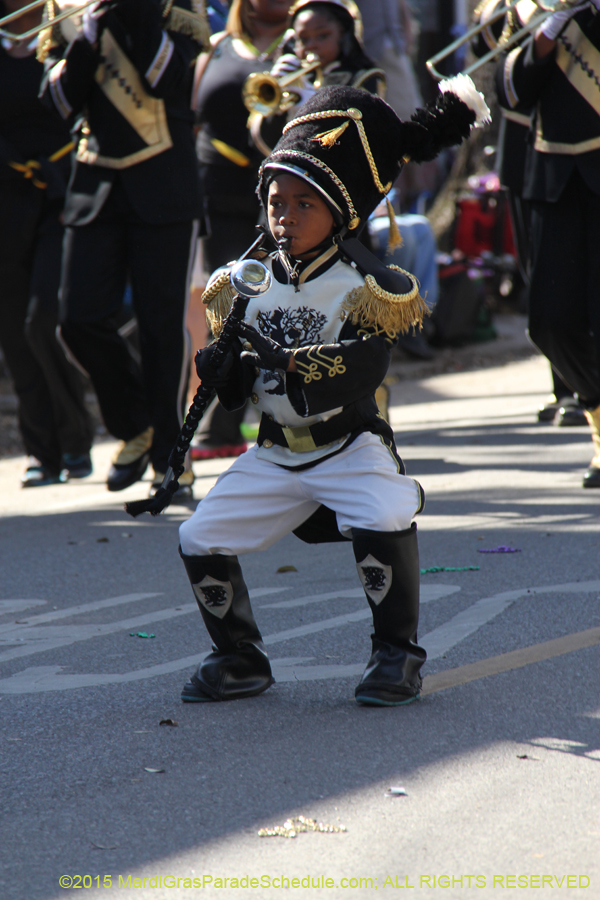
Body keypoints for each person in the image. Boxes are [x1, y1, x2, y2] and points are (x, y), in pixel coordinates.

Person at [174, 78, 489, 705]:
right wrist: (224, 367)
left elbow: (365, 369)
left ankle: (396, 655)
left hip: (348, 446)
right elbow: (237, 392)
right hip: (273, 451)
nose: (283, 217)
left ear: (340, 213)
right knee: (199, 535)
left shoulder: (370, 283)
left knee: (384, 515)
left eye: (302, 205)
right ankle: (239, 657)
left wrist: (291, 362)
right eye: (275, 202)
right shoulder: (240, 281)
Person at [39, 0, 209, 497]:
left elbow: (166, 79)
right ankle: (137, 425)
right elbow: (58, 104)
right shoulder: (69, 10)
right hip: (94, 185)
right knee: (76, 320)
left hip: (165, 189)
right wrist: (86, 42)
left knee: (161, 329)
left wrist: (132, 12)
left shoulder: (174, 9)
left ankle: (170, 459)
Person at [496, 0, 600, 487]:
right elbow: (511, 93)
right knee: (550, 322)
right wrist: (548, 29)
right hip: (553, 176)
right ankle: (597, 410)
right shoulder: (534, 9)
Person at [189, 0, 291, 460]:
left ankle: (271, 409)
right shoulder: (217, 46)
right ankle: (222, 422)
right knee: (227, 298)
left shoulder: (305, 44)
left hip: (282, 195)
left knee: (272, 301)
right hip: (218, 189)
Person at [0, 0, 94, 487]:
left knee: (44, 320)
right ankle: (43, 453)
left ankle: (77, 440)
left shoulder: (70, 32)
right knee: (14, 335)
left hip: (62, 196)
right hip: (6, 202)